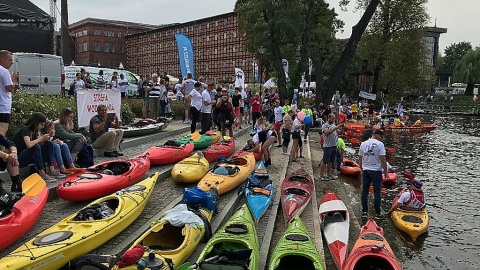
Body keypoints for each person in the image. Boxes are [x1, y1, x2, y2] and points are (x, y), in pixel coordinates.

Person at [12, 112, 58, 181]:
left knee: (49, 144)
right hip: (19, 158)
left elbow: (38, 145)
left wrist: (46, 138)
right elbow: (29, 144)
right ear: (36, 123)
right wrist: (41, 139)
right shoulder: (26, 130)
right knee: (35, 147)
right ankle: (42, 173)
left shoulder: (35, 132)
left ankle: (51, 169)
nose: (43, 127)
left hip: (29, 156)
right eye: (41, 124)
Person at [358, 129, 389, 220]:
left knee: (365, 191)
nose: (382, 139)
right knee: (377, 193)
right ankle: (378, 213)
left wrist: (361, 169)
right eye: (382, 137)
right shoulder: (380, 144)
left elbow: (360, 157)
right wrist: (386, 172)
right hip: (376, 171)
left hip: (366, 170)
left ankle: (364, 211)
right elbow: (383, 159)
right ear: (378, 135)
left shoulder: (363, 144)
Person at [319, 113, 343, 180]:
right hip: (328, 146)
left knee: (331, 161)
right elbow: (326, 133)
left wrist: (342, 128)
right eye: (333, 118)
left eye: (334, 118)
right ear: (329, 118)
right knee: (325, 160)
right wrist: (335, 128)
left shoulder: (333, 125)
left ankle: (329, 174)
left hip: (334, 145)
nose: (334, 120)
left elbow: (339, 132)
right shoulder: (325, 125)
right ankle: (321, 176)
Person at [0, 50, 18, 136]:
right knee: (3, 129)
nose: (12, 63)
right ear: (2, 59)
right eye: (10, 60)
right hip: (3, 106)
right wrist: (13, 80)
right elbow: (9, 88)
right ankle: (2, 149)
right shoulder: (4, 71)